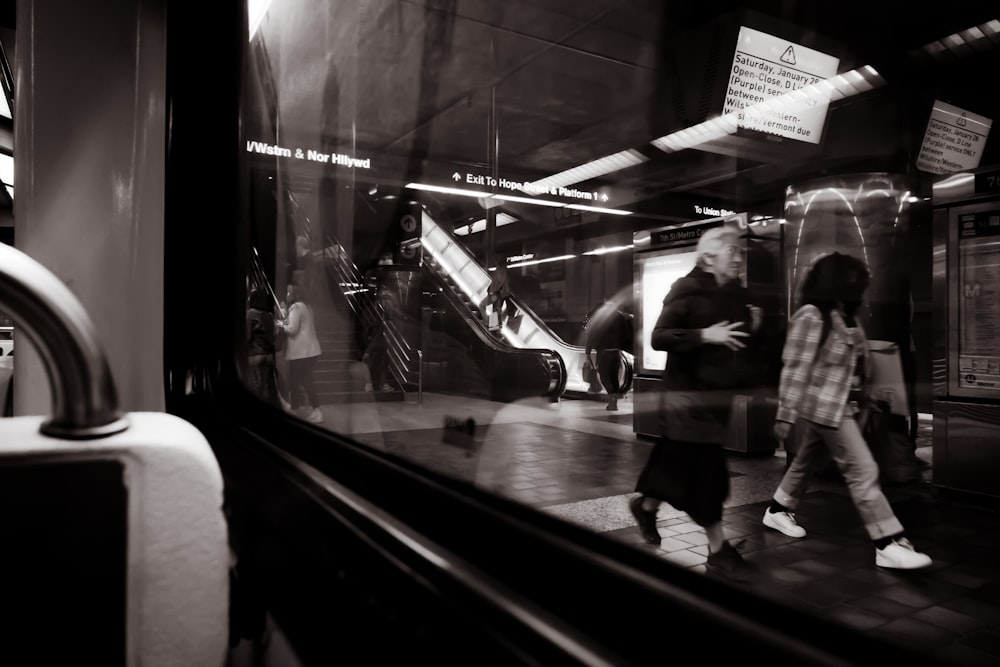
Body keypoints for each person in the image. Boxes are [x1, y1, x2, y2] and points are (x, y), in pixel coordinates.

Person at [762, 252, 932, 570]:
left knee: (806, 461)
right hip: (827, 408)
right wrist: (785, 414)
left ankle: (777, 509)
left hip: (839, 404)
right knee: (863, 470)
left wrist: (866, 394)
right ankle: (886, 543)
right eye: (855, 282)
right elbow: (795, 368)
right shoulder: (811, 316)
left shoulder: (841, 317)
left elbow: (845, 369)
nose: (861, 289)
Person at [628, 225, 764, 583]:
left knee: (673, 468)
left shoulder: (732, 293)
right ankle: (719, 551)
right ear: (708, 256)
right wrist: (704, 335)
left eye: (739, 250)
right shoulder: (686, 290)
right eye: (731, 250)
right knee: (708, 478)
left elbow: (735, 344)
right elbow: (659, 337)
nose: (737, 256)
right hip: (687, 399)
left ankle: (645, 506)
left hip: (713, 401)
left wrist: (754, 326)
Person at [278, 283, 324, 424]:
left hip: (301, 352)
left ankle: (313, 410)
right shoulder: (306, 306)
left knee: (300, 380)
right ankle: (296, 407)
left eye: (289, 291)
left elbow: (292, 329)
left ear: (295, 293)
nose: (287, 294)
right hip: (311, 350)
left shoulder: (296, 306)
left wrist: (280, 324)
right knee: (299, 379)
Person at [585, 297, 634, 410]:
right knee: (613, 377)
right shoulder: (619, 316)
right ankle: (613, 402)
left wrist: (588, 352)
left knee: (604, 377)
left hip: (604, 351)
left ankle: (612, 398)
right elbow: (626, 334)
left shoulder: (598, 316)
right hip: (616, 351)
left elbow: (590, 334)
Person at [246, 287, 279, 407]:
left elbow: (247, 336)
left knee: (255, 387)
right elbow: (274, 336)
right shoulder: (268, 316)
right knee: (267, 386)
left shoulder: (250, 314)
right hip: (269, 355)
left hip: (255, 355)